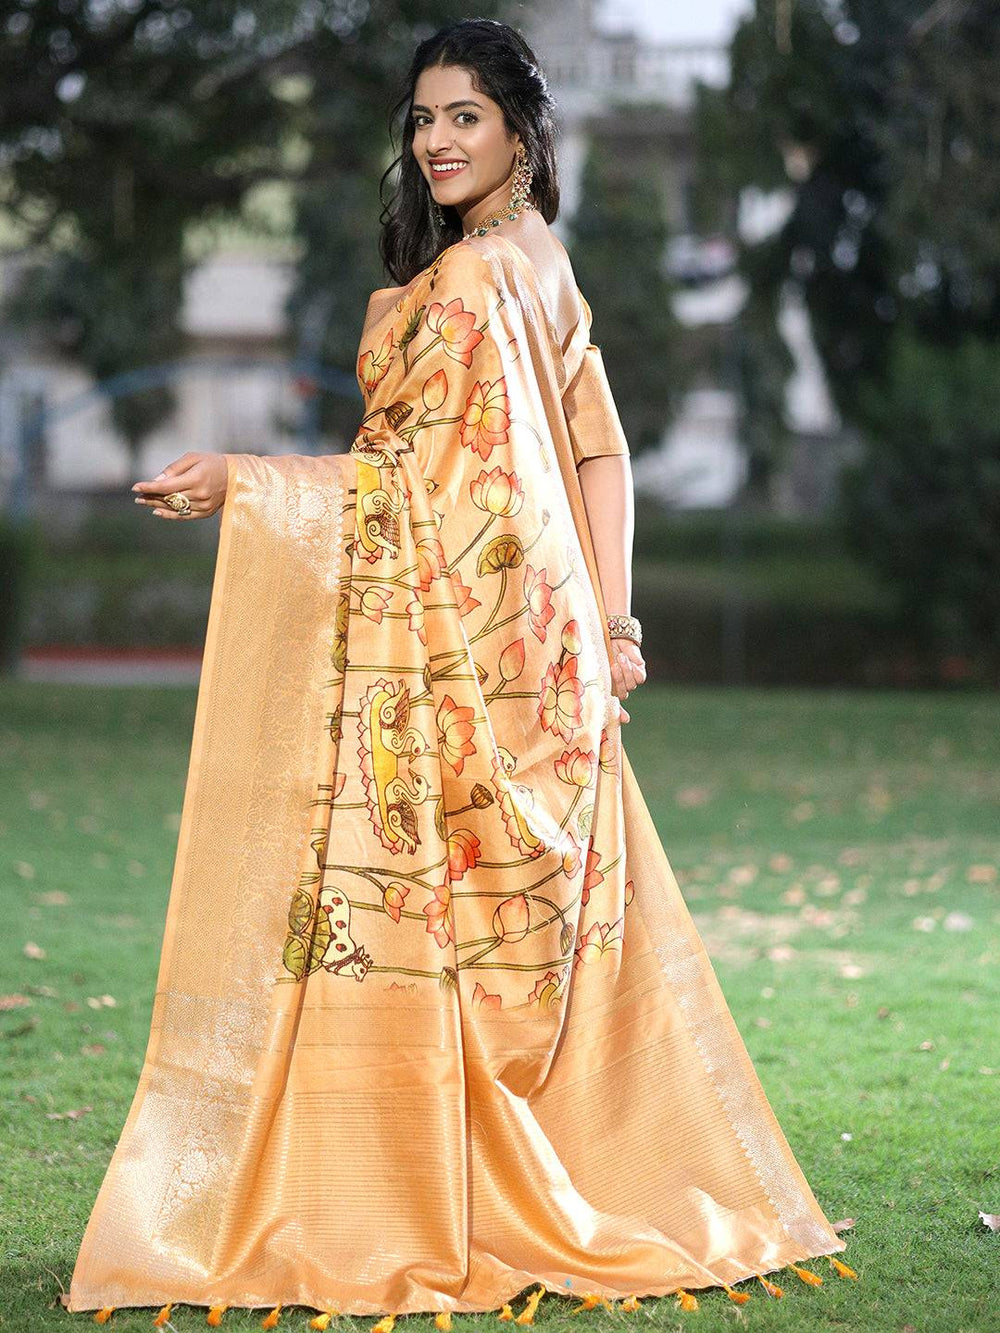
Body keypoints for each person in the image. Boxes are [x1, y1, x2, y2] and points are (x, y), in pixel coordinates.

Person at [66, 18, 854, 1327]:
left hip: (467, 653)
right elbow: (599, 455)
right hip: (544, 651)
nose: (435, 140)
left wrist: (246, 481)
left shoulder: (481, 279)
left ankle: (424, 1197)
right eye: (423, 119)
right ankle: (535, 1180)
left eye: (463, 116)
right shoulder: (542, 265)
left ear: (522, 132)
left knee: (429, 917)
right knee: (513, 935)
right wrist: (613, 629)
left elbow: (414, 487)